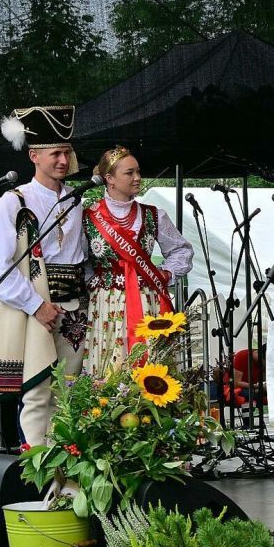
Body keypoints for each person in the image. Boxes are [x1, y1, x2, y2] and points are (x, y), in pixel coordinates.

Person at [0, 104, 89, 445]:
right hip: (38, 305)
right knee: (38, 393)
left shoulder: (76, 201)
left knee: (68, 393)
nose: (63, 161)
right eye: (55, 154)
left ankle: (65, 469)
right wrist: (36, 305)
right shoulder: (15, 201)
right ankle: (39, 468)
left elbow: (82, 257)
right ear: (34, 156)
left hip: (75, 308)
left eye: (66, 153)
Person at [81, 146, 194, 376]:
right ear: (109, 179)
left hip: (147, 302)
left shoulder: (153, 215)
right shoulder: (89, 217)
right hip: (106, 305)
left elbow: (182, 250)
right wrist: (96, 284)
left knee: (151, 370)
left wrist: (165, 274)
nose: (137, 177)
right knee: (108, 368)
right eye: (129, 172)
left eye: (138, 171)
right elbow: (81, 261)